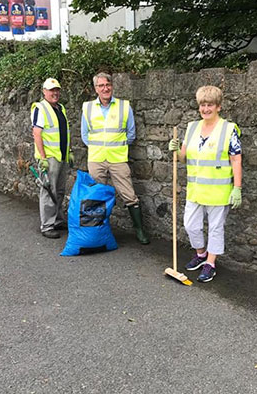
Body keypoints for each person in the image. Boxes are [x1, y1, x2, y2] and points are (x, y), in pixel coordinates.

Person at [168, 86, 242, 282]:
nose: (206, 109)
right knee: (191, 225)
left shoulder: (228, 129)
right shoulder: (192, 127)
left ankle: (210, 263)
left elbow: (236, 159)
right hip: (195, 189)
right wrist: (176, 150)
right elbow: (183, 158)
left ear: (218, 106)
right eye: (202, 105)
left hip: (219, 190)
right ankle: (200, 254)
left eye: (210, 105)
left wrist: (237, 188)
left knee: (216, 228)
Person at [80, 72, 150, 245]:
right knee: (97, 195)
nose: (105, 88)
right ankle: (98, 232)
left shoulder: (124, 106)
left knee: (129, 195)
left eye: (108, 85)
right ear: (96, 88)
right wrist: (98, 147)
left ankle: (139, 230)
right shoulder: (87, 107)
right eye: (101, 86)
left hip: (118, 158)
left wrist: (117, 146)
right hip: (96, 158)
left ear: (112, 86)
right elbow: (84, 135)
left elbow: (131, 133)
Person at [31, 78, 73, 239]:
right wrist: (43, 157)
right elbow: (37, 133)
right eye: (51, 90)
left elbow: (63, 132)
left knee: (60, 190)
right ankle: (47, 225)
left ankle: (58, 219)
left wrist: (69, 151)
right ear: (44, 91)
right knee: (49, 190)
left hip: (61, 156)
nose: (55, 93)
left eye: (57, 90)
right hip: (49, 158)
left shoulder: (60, 108)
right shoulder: (40, 108)